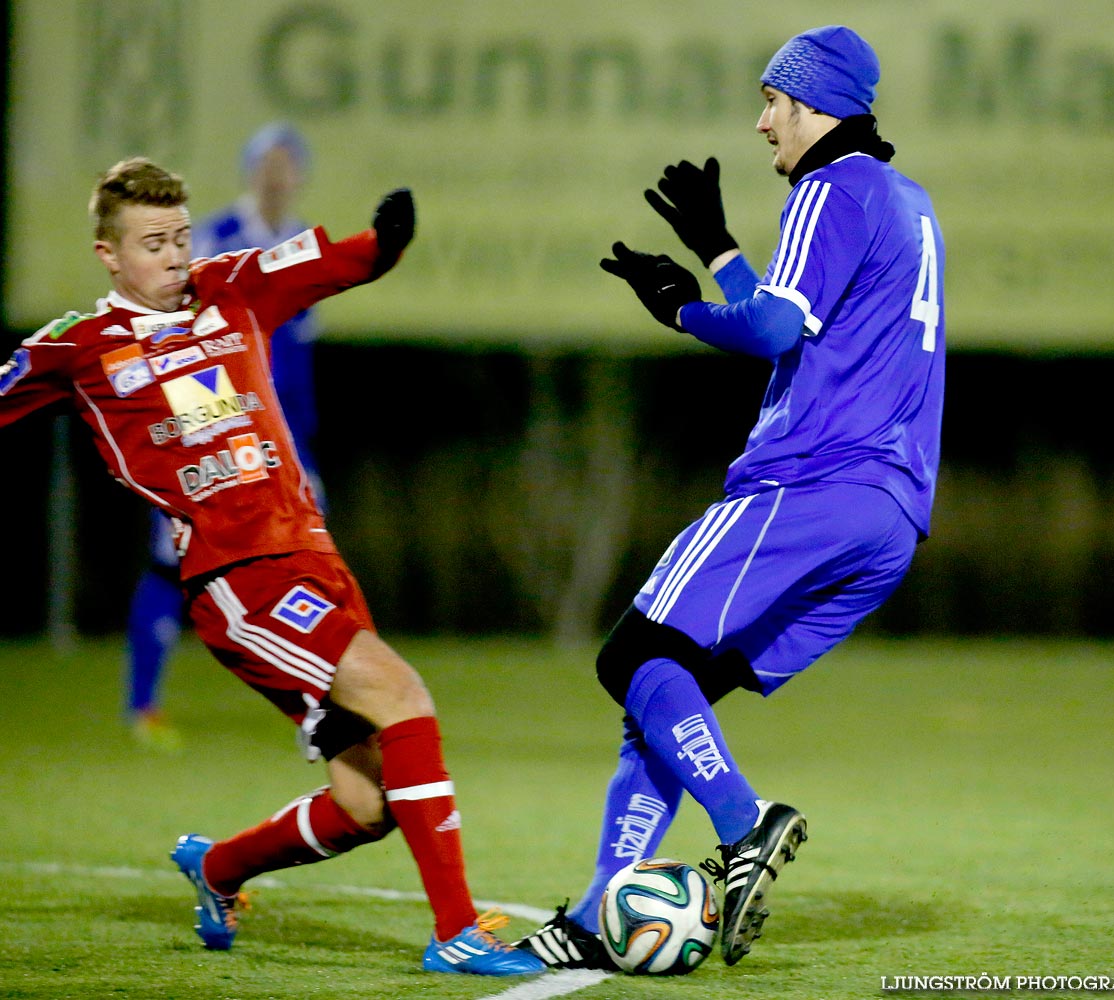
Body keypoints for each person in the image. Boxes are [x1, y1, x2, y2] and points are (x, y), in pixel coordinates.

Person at [0, 157, 543, 977]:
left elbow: (337, 263)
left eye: (181, 236)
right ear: (109, 254)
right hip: (238, 578)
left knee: (365, 805)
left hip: (316, 559)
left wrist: (384, 239)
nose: (176, 256)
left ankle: (216, 869)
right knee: (401, 695)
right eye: (153, 243)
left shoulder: (234, 287)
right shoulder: (79, 349)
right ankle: (456, 931)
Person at [515, 25, 945, 969]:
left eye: (772, 102)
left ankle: (746, 827)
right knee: (663, 698)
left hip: (813, 481)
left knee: (629, 655)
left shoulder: (829, 185)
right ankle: (594, 917)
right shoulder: (907, 203)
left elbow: (766, 332)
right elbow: (809, 337)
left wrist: (679, 309)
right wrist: (714, 246)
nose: (760, 124)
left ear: (812, 104)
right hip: (888, 514)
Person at [125, 123, 321, 752]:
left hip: (282, 436)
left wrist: (301, 436)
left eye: (287, 163)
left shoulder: (300, 246)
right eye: (267, 161)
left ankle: (318, 707)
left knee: (309, 561)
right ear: (249, 169)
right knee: (171, 563)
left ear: (299, 174)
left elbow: (297, 354)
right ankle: (142, 704)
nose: (277, 173)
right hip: (215, 426)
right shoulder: (215, 237)